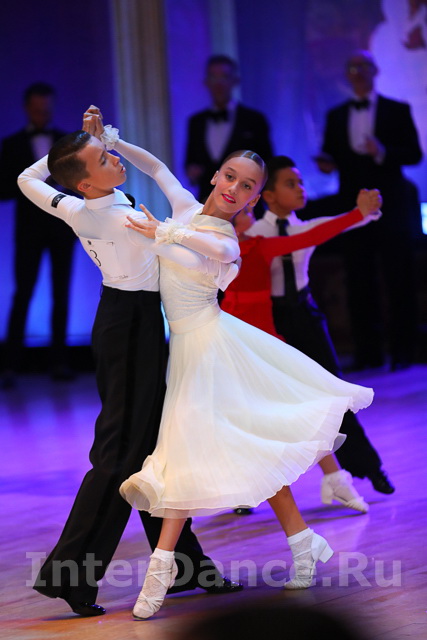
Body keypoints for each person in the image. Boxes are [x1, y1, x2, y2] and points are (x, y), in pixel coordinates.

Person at [85, 112, 374, 620]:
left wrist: (164, 231)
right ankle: (303, 541)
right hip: (190, 352)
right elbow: (157, 168)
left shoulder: (226, 240)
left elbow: (207, 247)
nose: (234, 189)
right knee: (244, 451)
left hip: (213, 350)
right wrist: (111, 141)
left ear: (254, 198)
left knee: (184, 455)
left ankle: (160, 570)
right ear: (216, 176)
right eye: (230, 177)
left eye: (247, 186)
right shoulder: (185, 208)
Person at [17, 120, 244, 618]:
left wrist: (76, 149)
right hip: (133, 331)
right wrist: (224, 257)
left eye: (109, 152)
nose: (115, 158)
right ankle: (70, 575)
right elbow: (187, 259)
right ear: (86, 182)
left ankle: (185, 567)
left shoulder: (74, 206)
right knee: (119, 456)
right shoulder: (118, 219)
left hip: (121, 322)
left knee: (149, 454)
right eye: (104, 159)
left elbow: (27, 179)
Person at [222, 194, 382, 516]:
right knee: (242, 419)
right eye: (244, 209)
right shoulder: (212, 249)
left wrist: (356, 215)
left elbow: (312, 235)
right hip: (228, 344)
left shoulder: (260, 246)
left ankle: (335, 479)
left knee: (299, 412)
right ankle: (247, 487)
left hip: (263, 344)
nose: (252, 211)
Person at [247, 155, 395, 495]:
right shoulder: (253, 234)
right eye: (291, 183)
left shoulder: (305, 227)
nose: (301, 189)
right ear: (268, 195)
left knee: (334, 395)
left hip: (306, 316)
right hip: (268, 322)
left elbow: (338, 224)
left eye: (301, 182)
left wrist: (365, 210)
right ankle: (251, 488)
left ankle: (368, 467)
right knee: (264, 406)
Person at [315, 49, 423, 371]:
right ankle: (368, 353)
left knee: (399, 277)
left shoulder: (397, 109)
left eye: (363, 66)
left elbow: (414, 154)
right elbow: (331, 156)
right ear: (346, 75)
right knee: (358, 279)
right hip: (353, 209)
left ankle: (404, 351)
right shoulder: (336, 115)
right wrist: (326, 164)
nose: (358, 72)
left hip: (392, 206)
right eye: (352, 67)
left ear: (375, 71)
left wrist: (383, 151)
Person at [0, 83, 76, 387]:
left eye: (46, 109)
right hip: (29, 230)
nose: (42, 114)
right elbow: (4, 189)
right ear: (27, 109)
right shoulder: (13, 144)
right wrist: (29, 184)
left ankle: (60, 361)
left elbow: (79, 185)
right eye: (37, 109)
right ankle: (10, 365)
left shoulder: (68, 143)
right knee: (23, 293)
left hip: (61, 227)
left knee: (61, 293)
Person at [185, 54, 273, 203]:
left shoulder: (254, 120)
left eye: (224, 77)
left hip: (245, 204)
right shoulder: (196, 122)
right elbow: (190, 162)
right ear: (206, 82)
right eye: (213, 77)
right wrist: (192, 172)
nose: (219, 83)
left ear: (235, 80)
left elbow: (266, 164)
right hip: (208, 201)